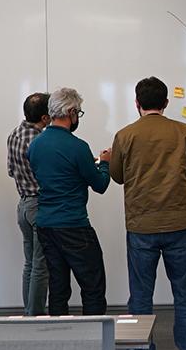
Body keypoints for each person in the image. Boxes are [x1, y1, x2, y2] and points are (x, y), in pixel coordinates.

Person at [110, 77, 186, 350]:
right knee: (184, 291)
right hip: (180, 222)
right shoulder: (184, 132)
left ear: (137, 102)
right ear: (166, 103)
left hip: (142, 223)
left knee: (140, 292)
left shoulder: (125, 135)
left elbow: (116, 175)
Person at [27, 88, 111, 318]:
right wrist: (104, 163)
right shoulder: (78, 147)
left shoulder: (35, 146)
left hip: (45, 224)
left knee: (58, 286)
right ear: (71, 112)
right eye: (78, 113)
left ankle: (60, 340)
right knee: (93, 285)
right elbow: (100, 185)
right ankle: (95, 340)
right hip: (73, 224)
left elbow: (53, 173)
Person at [7, 92, 51, 316]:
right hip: (39, 205)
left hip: (23, 205)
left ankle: (28, 312)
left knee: (29, 264)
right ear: (45, 117)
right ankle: (35, 315)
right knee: (40, 266)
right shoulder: (40, 141)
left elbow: (11, 171)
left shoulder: (14, 134)